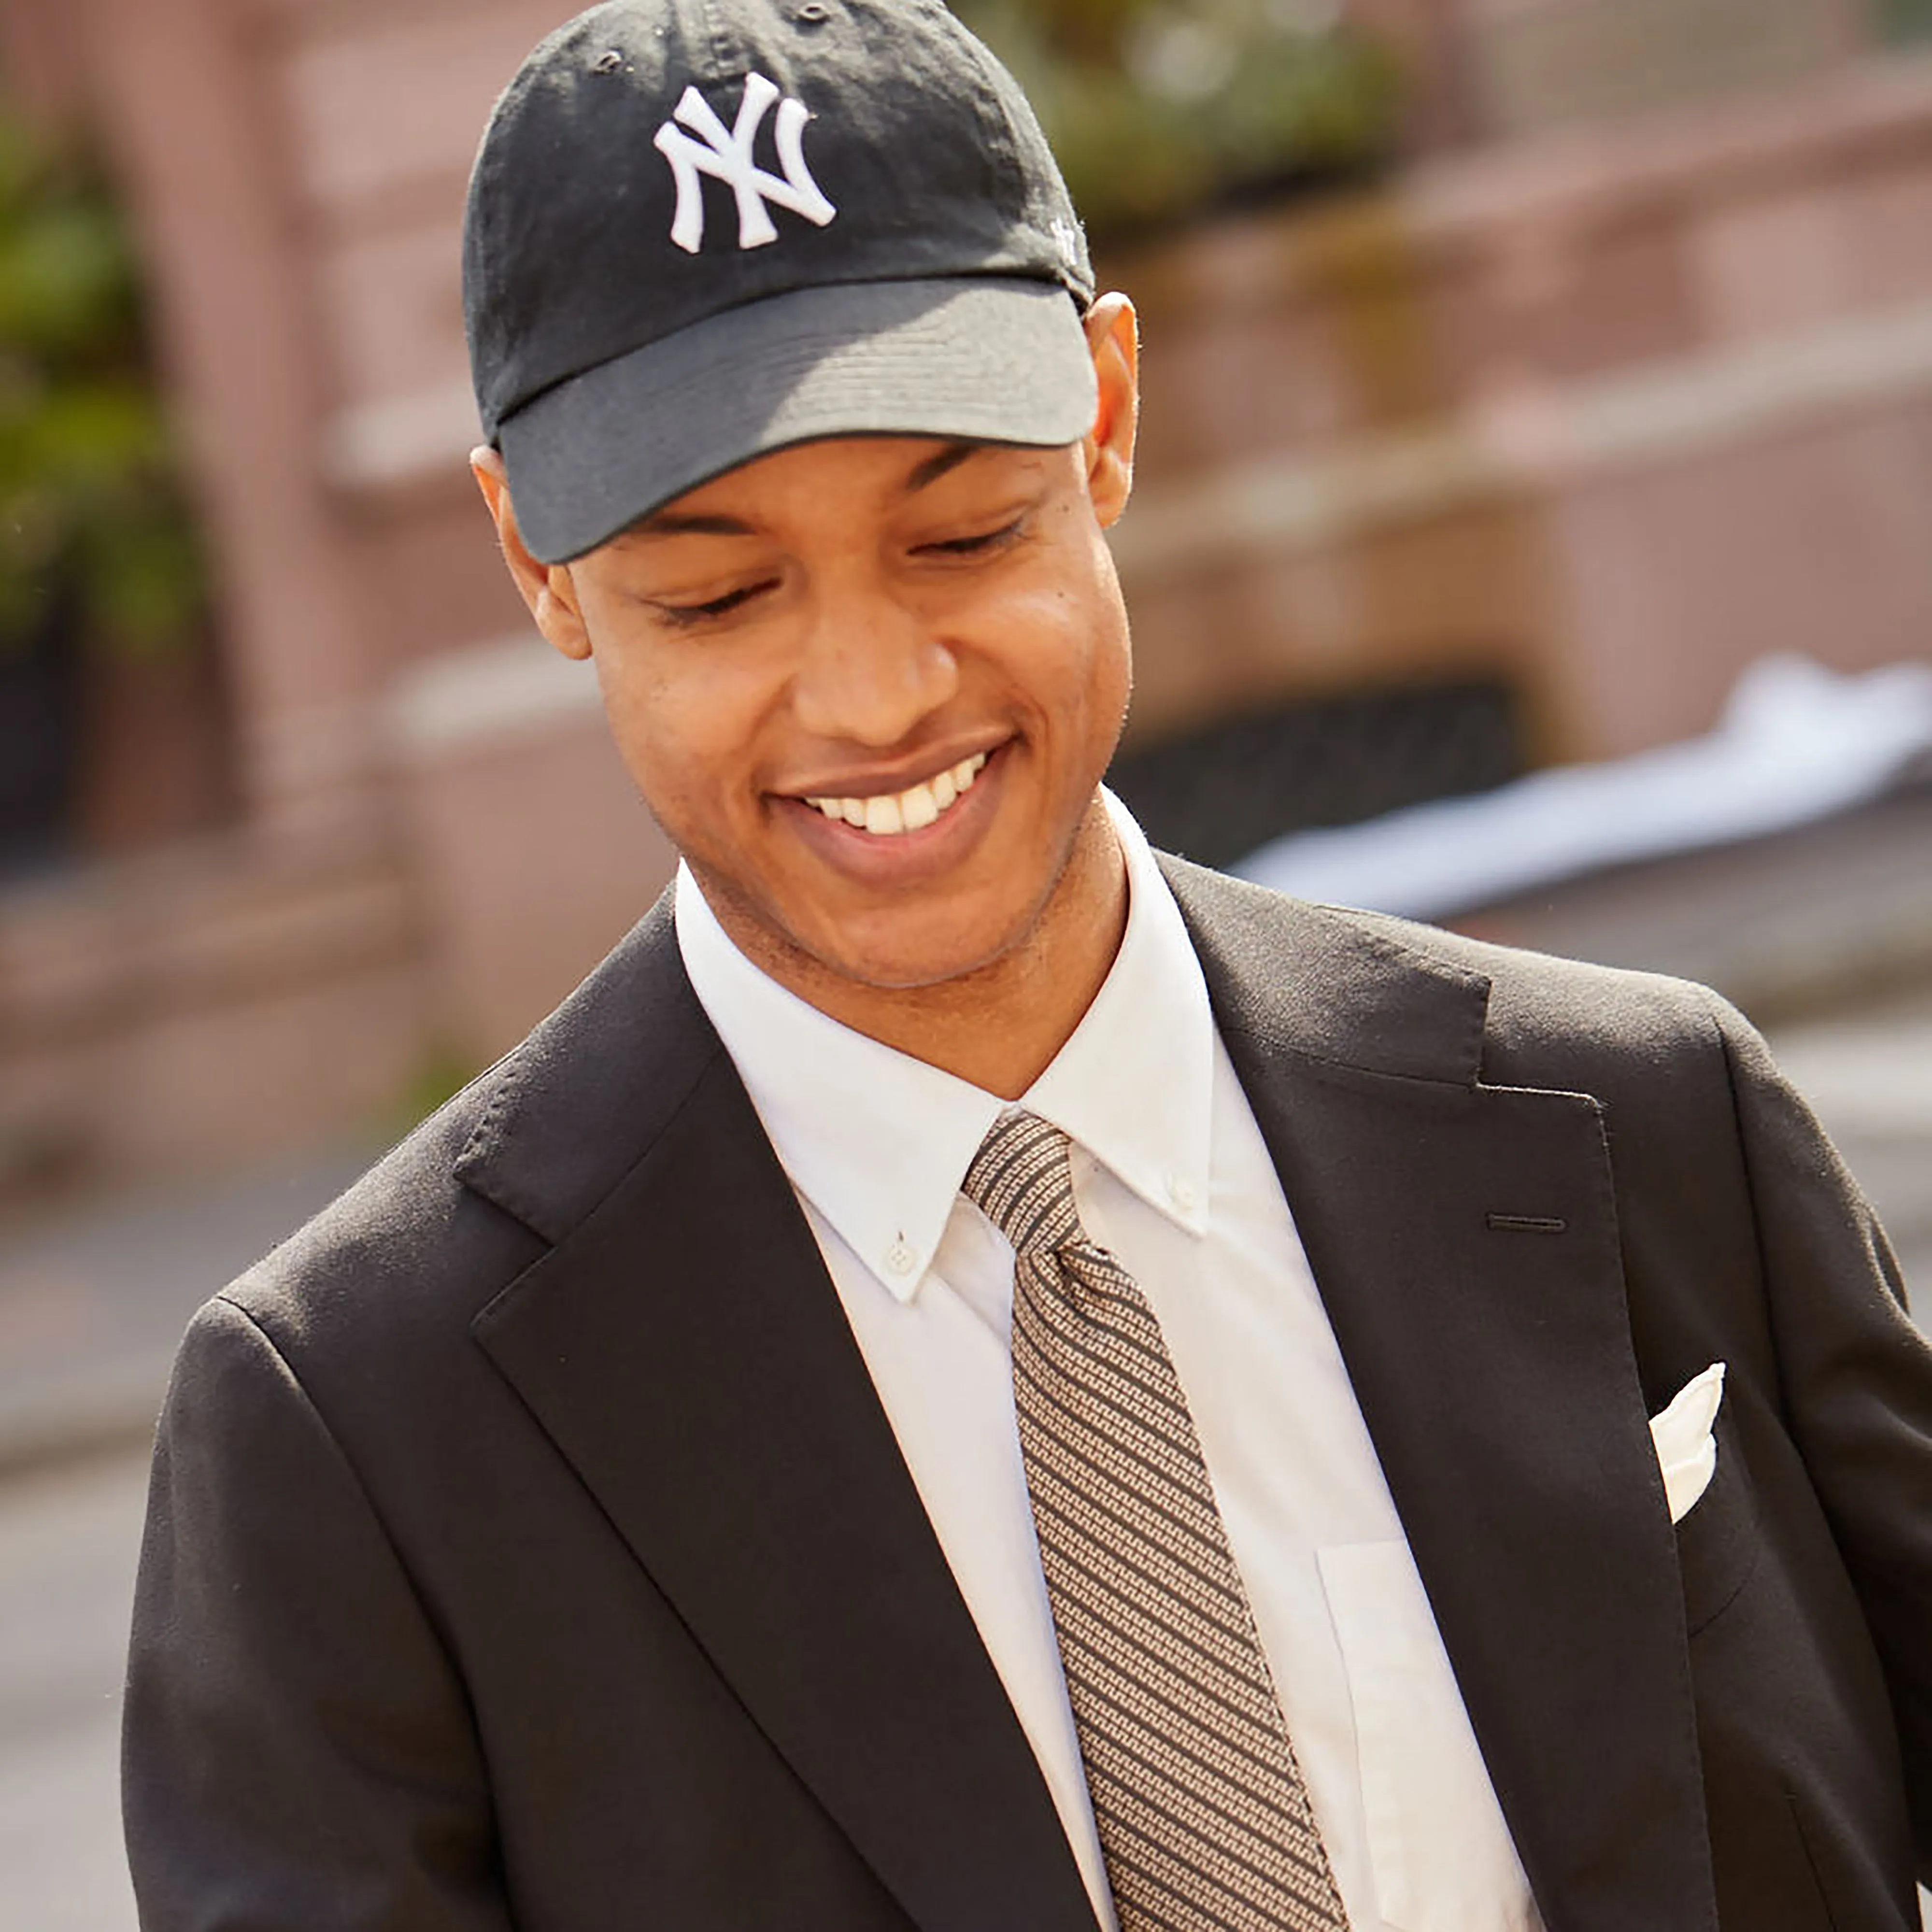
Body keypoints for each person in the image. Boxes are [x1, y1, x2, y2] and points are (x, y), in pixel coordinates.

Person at [123, 2, 1932, 1928]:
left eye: (965, 530)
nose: (880, 693)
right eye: (720, 591)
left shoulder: (1648, 1123)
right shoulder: (357, 1436)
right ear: (537, 568)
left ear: (1109, 413)